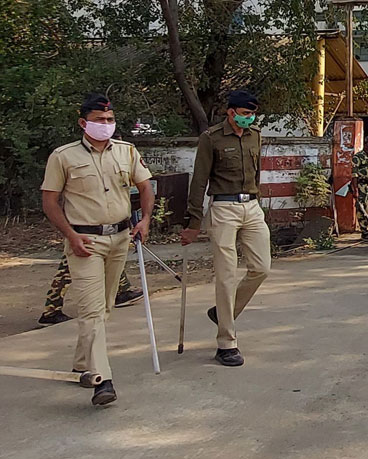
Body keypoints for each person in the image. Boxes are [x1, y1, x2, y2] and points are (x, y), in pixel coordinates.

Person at [41, 94, 154, 405]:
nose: (106, 125)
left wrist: (144, 219)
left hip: (120, 238)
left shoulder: (126, 151)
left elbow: (145, 186)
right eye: (99, 120)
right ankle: (102, 380)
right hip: (85, 243)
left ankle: (82, 363)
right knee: (91, 310)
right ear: (83, 123)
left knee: (104, 308)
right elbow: (50, 201)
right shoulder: (63, 157)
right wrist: (70, 235)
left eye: (109, 120)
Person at [182, 90, 270, 368]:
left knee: (261, 268)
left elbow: (257, 173)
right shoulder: (211, 138)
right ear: (231, 113)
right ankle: (226, 343)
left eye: (252, 114)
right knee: (226, 275)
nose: (249, 118)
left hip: (252, 206)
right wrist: (193, 221)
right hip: (223, 207)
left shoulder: (255, 135)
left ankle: (222, 312)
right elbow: (199, 180)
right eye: (245, 114)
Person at [37, 258, 142, 326]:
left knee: (111, 258)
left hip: (91, 232)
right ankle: (51, 311)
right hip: (82, 232)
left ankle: (122, 290)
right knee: (67, 269)